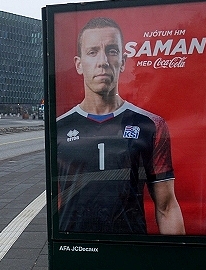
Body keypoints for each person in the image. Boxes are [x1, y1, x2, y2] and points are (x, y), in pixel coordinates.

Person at [56, 17, 185, 235]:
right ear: (79, 64)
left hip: (130, 251)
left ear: (123, 61)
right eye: (93, 52)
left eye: (112, 51)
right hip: (75, 252)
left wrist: (176, 263)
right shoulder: (58, 128)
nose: (103, 61)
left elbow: (166, 206)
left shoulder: (151, 125)